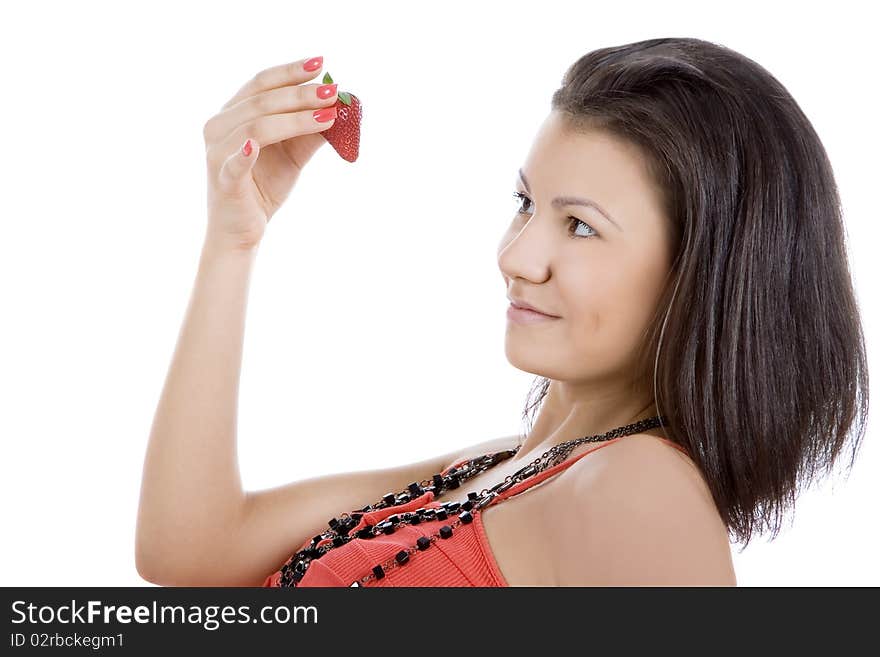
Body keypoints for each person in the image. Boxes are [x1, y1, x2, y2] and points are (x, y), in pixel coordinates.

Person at [135, 38, 868, 587]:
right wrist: (234, 239)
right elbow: (187, 549)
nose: (516, 256)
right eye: (526, 203)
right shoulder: (500, 468)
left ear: (702, 276)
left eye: (579, 225)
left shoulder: (637, 491)